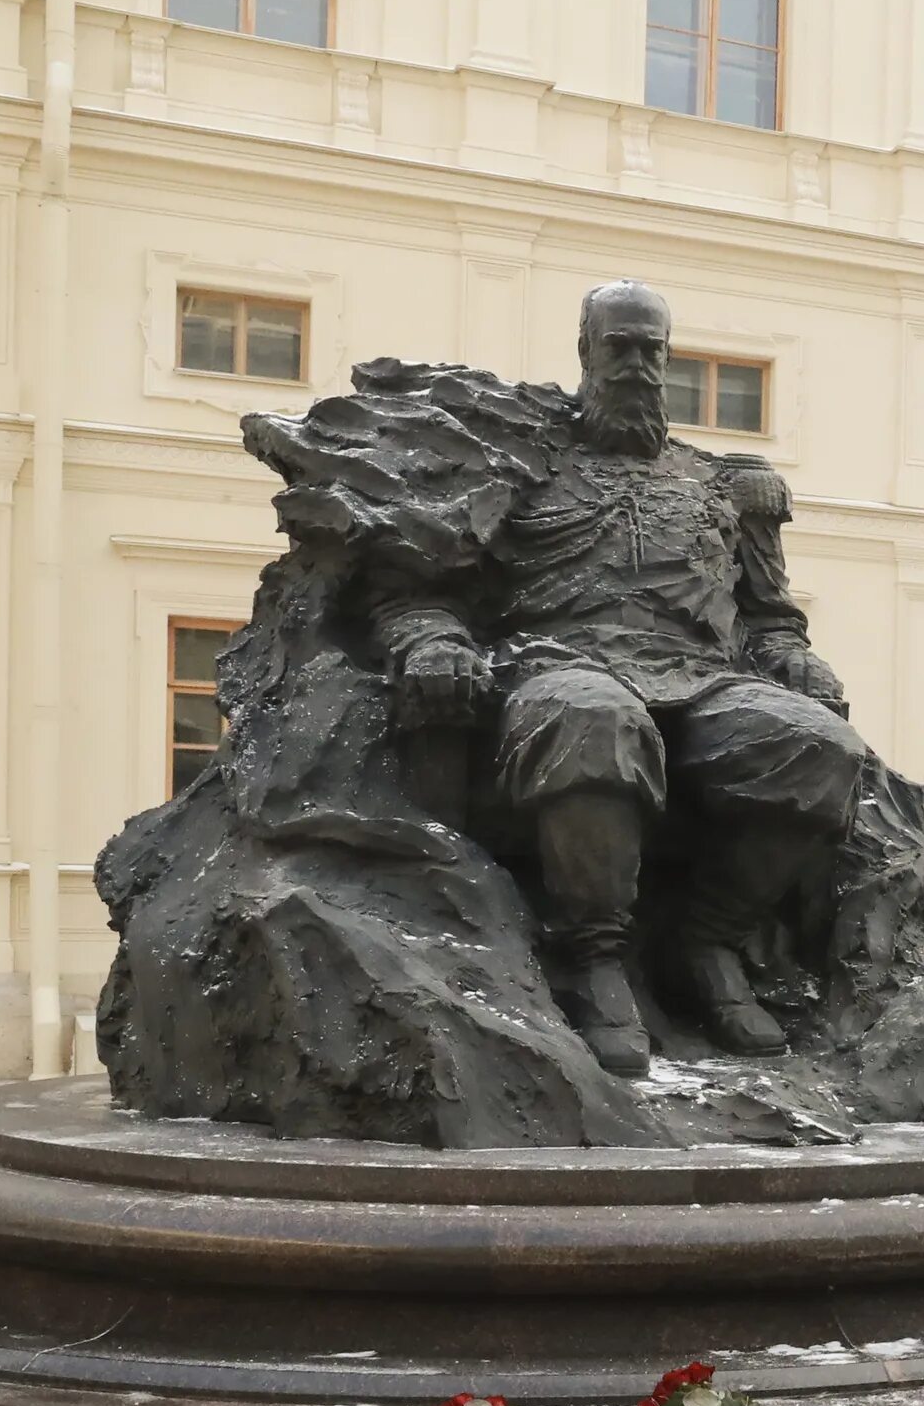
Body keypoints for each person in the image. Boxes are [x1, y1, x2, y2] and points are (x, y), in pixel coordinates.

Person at [359, 281, 865, 1077]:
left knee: (816, 746)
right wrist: (432, 642)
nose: (636, 366)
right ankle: (594, 959)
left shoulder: (721, 483)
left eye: (651, 350)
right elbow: (421, 590)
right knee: (594, 719)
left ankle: (709, 944)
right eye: (619, 348)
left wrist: (796, 658)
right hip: (553, 664)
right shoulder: (517, 467)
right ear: (586, 352)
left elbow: (771, 619)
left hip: (702, 678)